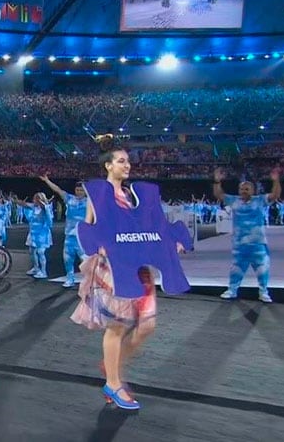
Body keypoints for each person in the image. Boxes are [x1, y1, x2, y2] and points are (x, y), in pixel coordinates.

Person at [70, 143, 185, 410]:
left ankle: (113, 367)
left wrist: (170, 243)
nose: (127, 165)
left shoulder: (134, 197)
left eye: (128, 161)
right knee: (118, 326)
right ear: (108, 165)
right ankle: (113, 382)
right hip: (113, 269)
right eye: (121, 161)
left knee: (147, 326)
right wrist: (98, 246)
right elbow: (89, 229)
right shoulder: (98, 195)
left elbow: (152, 228)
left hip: (139, 268)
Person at [213, 167, 281, 303]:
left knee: (262, 269)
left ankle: (263, 292)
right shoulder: (234, 200)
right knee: (236, 268)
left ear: (253, 191)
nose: (244, 191)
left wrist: (276, 181)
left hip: (258, 244)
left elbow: (275, 195)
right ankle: (232, 290)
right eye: (242, 189)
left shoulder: (260, 200)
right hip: (240, 244)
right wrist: (217, 181)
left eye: (247, 189)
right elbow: (219, 195)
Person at [40, 175, 88, 288]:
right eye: (77, 190)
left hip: (83, 237)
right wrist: (47, 181)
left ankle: (88, 282)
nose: (79, 192)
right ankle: (70, 279)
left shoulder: (90, 202)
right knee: (67, 259)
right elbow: (58, 190)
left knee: (85, 261)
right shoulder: (70, 199)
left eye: (81, 190)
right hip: (69, 236)